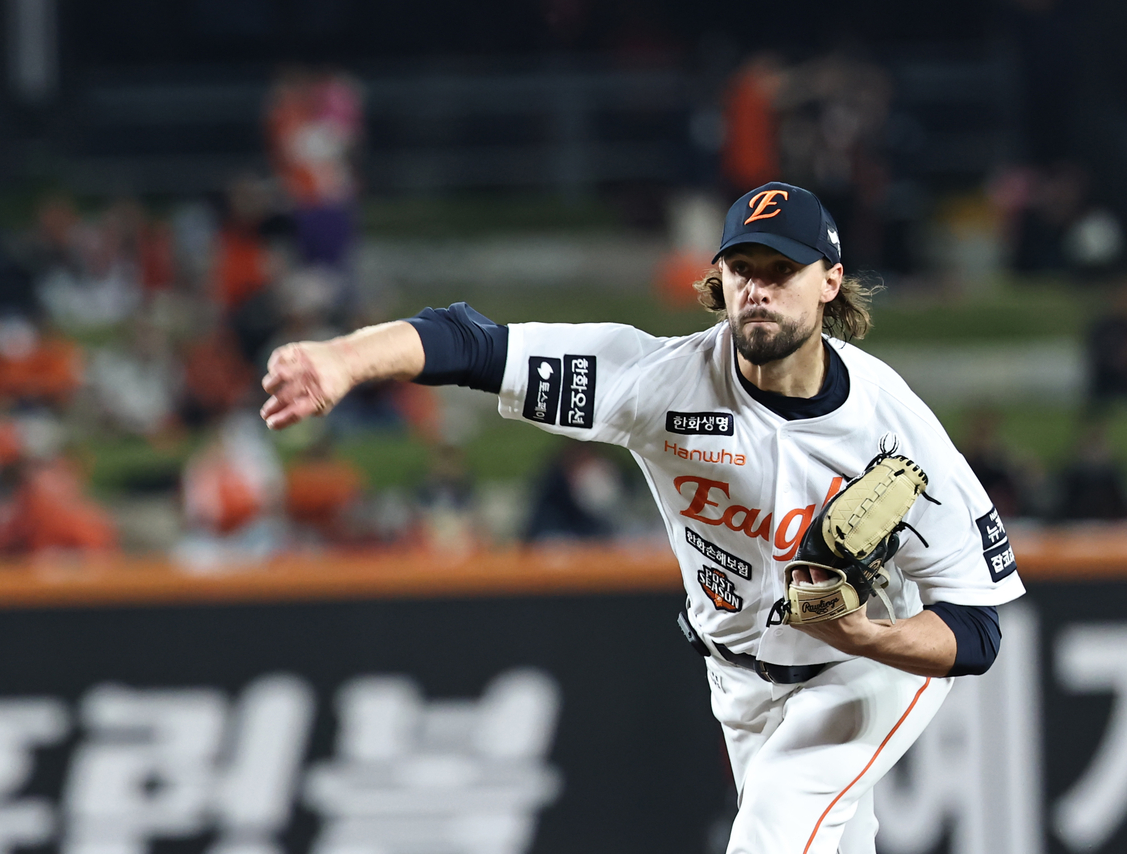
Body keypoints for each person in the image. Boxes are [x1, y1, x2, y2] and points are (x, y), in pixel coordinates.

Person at [257, 182, 1026, 853]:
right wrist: (345, 361)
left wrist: (871, 637)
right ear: (717, 280)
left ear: (830, 282)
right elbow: (470, 342)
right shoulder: (663, 383)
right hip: (741, 681)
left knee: (778, 822)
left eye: (781, 271)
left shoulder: (894, 431)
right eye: (742, 269)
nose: (757, 289)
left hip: (865, 673)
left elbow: (980, 628)